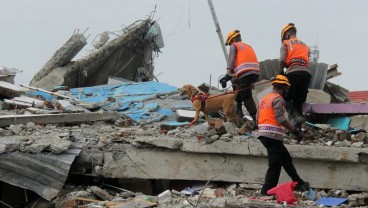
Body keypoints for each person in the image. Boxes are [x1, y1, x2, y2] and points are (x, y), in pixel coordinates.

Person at [257, 75, 310, 196]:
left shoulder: (265, 99)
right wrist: (295, 131)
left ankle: (299, 183)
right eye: (287, 88)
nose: (287, 91)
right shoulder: (278, 99)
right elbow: (281, 119)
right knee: (275, 164)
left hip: (264, 134)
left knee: (286, 159)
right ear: (284, 87)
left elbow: (257, 118)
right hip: (272, 135)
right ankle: (266, 191)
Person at [220, 30, 260, 125]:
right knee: (239, 86)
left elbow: (231, 60)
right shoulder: (248, 46)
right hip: (255, 73)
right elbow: (244, 68)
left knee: (246, 96)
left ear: (233, 39)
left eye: (230, 43)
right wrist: (229, 77)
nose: (230, 45)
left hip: (245, 74)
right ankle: (239, 110)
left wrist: (226, 75)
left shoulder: (235, 45)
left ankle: (255, 120)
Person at [279, 23, 311, 129]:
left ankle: (296, 117)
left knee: (284, 98)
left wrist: (281, 73)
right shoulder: (305, 46)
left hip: (293, 73)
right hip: (306, 74)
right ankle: (299, 130)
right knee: (298, 101)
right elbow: (308, 61)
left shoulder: (286, 43)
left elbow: (282, 60)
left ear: (287, 34)